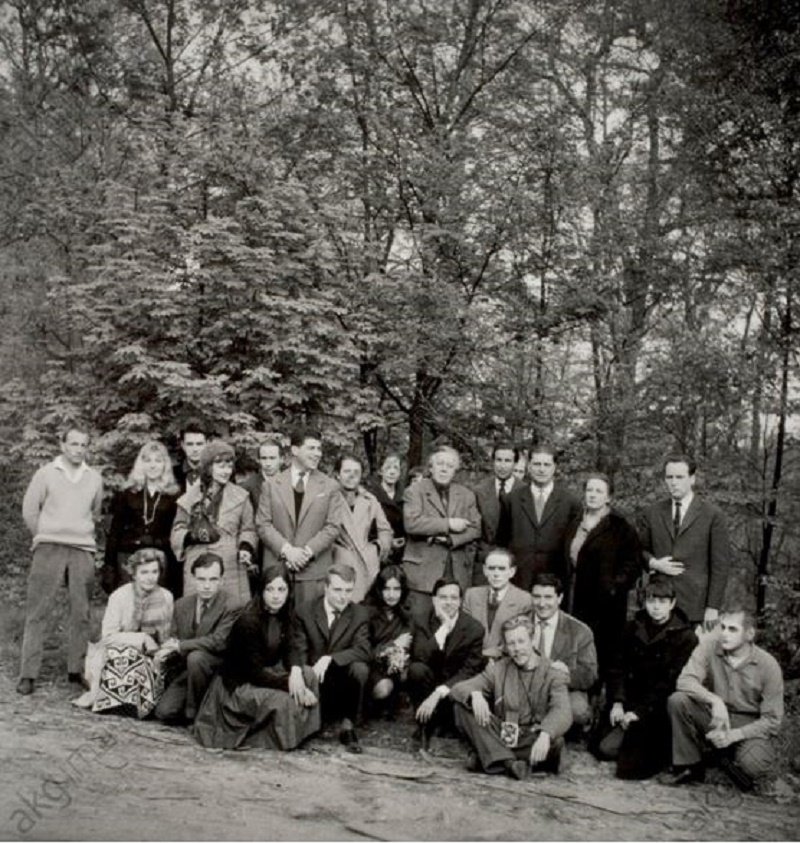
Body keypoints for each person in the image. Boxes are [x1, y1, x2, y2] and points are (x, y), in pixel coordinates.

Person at [193, 565, 320, 750]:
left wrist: (295, 671)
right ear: (261, 591)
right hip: (239, 685)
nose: (276, 596)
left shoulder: (286, 612)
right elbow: (253, 673)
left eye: (281, 589)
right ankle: (280, 737)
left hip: (266, 671)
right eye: (270, 589)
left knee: (309, 675)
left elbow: (294, 645)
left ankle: (303, 732)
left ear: (288, 591)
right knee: (284, 701)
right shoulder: (248, 621)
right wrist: (292, 686)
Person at [17, 426, 104, 696]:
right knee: (38, 610)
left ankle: (75, 669)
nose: (78, 449)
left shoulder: (94, 478)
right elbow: (30, 510)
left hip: (81, 549)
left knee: (81, 612)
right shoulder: (45, 474)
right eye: (73, 444)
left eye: (83, 445)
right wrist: (44, 534)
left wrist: (80, 534)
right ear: (63, 445)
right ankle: (28, 674)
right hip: (49, 547)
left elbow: (96, 512)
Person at [662, 604, 784, 791]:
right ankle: (689, 766)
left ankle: (722, 756)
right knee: (678, 700)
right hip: (715, 718)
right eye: (723, 627)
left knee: (754, 765)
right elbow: (685, 681)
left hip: (747, 726)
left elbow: (772, 720)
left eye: (733, 629)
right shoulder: (709, 647)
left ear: (749, 634)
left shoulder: (768, 665)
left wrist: (734, 735)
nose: (725, 634)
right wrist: (714, 700)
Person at [595, 574, 697, 779]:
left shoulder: (686, 637)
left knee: (632, 766)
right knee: (604, 749)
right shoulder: (632, 627)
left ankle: (661, 750)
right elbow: (618, 667)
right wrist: (618, 702)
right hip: (629, 701)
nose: (656, 607)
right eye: (651, 601)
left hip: (658, 708)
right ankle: (628, 739)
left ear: (672, 604)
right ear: (644, 602)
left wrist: (639, 712)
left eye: (662, 602)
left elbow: (670, 682)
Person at [451, 615, 572, 779]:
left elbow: (562, 709)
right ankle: (509, 764)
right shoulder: (500, 668)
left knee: (555, 742)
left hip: (533, 737)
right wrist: (475, 694)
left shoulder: (553, 672)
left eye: (521, 641)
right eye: (511, 643)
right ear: (506, 647)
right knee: (461, 707)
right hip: (503, 734)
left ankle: (490, 758)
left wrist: (546, 734)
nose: (517, 649)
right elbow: (458, 688)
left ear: (532, 640)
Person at [74, 548, 174, 718]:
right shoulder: (119, 596)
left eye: (154, 572)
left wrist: (162, 650)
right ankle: (117, 700)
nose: (150, 577)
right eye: (144, 572)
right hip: (115, 651)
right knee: (125, 656)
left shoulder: (166, 597)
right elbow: (108, 637)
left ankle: (140, 702)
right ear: (134, 574)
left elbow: (167, 635)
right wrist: (141, 638)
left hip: (151, 654)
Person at [639, 454, 731, 629]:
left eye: (679, 477)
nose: (673, 482)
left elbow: (720, 566)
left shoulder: (713, 515)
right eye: (669, 477)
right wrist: (654, 563)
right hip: (658, 605)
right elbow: (638, 550)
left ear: (692, 479)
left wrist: (712, 606)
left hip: (695, 606)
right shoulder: (652, 513)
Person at [564, 473, 642, 681]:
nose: (593, 495)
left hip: (605, 603)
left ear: (608, 498)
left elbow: (633, 564)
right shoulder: (574, 522)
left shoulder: (620, 527)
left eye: (599, 491)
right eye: (589, 490)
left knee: (602, 652)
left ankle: (600, 702)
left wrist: (614, 587)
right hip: (574, 594)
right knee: (574, 646)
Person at [288, 563, 370, 753]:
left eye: (348, 591)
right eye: (337, 589)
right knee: (301, 670)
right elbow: (297, 648)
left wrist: (330, 658)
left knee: (360, 668)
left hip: (343, 682)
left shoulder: (359, 614)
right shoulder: (305, 611)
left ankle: (348, 726)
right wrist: (297, 669)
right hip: (315, 681)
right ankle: (311, 723)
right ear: (326, 588)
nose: (343, 596)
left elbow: (364, 650)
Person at [256, 428, 343, 606]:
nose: (317, 454)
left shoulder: (330, 486)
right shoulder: (271, 485)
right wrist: (288, 551)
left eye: (319, 449)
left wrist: (305, 553)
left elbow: (333, 526)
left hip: (314, 573)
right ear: (295, 450)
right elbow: (263, 525)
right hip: (278, 573)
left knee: (310, 629)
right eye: (311, 448)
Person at [171, 440, 257, 610]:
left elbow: (249, 529)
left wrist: (246, 547)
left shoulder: (241, 496)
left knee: (232, 612)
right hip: (197, 560)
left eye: (229, 466)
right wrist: (190, 536)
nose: (226, 471)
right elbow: (177, 529)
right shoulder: (190, 497)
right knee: (198, 611)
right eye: (220, 466)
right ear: (208, 467)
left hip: (230, 562)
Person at [154, 552, 236, 725]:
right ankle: (199, 707)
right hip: (188, 672)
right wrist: (165, 652)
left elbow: (219, 642)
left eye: (213, 579)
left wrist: (181, 645)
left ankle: (197, 714)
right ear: (193, 579)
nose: (207, 586)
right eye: (201, 579)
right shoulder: (182, 605)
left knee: (196, 657)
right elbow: (174, 640)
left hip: (218, 673)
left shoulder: (232, 605)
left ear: (221, 580)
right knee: (164, 712)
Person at [402, 446, 481, 617]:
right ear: (431, 467)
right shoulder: (414, 491)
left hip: (456, 571)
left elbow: (476, 528)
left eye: (450, 465)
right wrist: (449, 524)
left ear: (455, 470)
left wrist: (451, 540)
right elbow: (412, 523)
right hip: (422, 575)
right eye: (440, 463)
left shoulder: (466, 495)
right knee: (419, 624)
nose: (444, 468)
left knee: (453, 628)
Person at [407, 578, 485, 749]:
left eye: (454, 598)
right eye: (443, 597)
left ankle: (446, 723)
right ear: (434, 599)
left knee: (452, 717)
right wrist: (443, 629)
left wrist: (438, 693)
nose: (448, 603)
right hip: (426, 685)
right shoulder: (421, 620)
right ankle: (423, 726)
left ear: (460, 601)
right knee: (416, 670)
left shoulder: (474, 629)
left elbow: (470, 670)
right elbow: (420, 656)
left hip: (453, 688)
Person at [496, 443, 581, 591]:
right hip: (519, 578)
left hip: (554, 581)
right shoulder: (511, 500)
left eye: (546, 464)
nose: (541, 469)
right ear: (529, 466)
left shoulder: (571, 503)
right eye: (537, 464)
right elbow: (502, 540)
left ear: (555, 467)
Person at [101, 440, 181, 597]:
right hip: (128, 558)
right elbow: (114, 532)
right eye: (148, 460)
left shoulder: (173, 496)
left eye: (158, 461)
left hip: (160, 561)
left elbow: (175, 533)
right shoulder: (127, 493)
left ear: (165, 465)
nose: (152, 465)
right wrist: (109, 566)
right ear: (140, 463)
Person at [530, 573, 598, 729]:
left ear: (559, 598)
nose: (541, 603)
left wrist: (566, 672)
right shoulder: (521, 623)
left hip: (563, 688)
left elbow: (589, 675)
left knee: (578, 711)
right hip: (527, 685)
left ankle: (560, 725)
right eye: (537, 597)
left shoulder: (580, 631)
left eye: (548, 597)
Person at [331, 455, 393, 602]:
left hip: (368, 564)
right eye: (347, 471)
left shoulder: (370, 500)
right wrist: (336, 550)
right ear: (337, 474)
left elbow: (385, 529)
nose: (351, 476)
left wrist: (378, 547)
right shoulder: (329, 499)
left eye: (356, 472)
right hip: (339, 562)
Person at [462, 548, 533, 659]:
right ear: (485, 570)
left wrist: (488, 653)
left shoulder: (524, 599)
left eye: (501, 569)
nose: (496, 574)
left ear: (512, 572)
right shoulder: (472, 595)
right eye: (491, 568)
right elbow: (464, 632)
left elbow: (521, 638)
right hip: (473, 660)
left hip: (506, 662)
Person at [363, 565, 414, 715]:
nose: (391, 595)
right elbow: (363, 652)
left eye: (396, 589)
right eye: (387, 589)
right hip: (372, 666)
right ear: (379, 589)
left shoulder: (406, 612)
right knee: (382, 689)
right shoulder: (366, 612)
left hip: (396, 666)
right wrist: (393, 645)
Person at [471, 443, 522, 581]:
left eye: (507, 461)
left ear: (515, 463)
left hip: (516, 563)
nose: (502, 465)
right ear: (493, 461)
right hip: (485, 561)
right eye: (499, 460)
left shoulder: (526, 491)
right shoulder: (479, 491)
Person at [363, 453, 407, 564]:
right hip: (377, 551)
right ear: (380, 471)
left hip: (402, 553)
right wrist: (386, 541)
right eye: (388, 468)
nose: (392, 472)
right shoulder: (370, 495)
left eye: (396, 468)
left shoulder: (406, 495)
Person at [173, 419, 208, 493]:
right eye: (190, 444)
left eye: (199, 444)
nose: (195, 449)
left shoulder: (216, 473)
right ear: (182, 445)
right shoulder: (172, 474)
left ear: (206, 444)